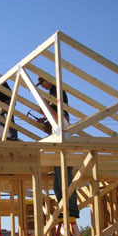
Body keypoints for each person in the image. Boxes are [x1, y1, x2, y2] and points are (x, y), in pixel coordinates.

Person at [36, 77, 79, 218]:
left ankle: (71, 210)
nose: (43, 87)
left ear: (47, 81)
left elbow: (58, 114)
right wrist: (44, 117)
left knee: (66, 183)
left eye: (42, 84)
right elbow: (53, 114)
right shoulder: (53, 95)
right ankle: (63, 208)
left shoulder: (58, 92)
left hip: (65, 153)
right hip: (58, 153)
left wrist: (46, 106)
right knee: (57, 186)